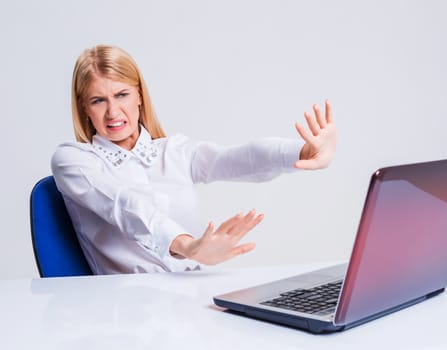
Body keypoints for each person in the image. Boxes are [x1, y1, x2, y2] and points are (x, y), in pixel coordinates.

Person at [51, 45, 336, 274]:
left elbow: (236, 157)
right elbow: (124, 205)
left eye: (121, 94)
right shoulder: (73, 161)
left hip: (194, 293)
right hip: (127, 311)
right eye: (98, 100)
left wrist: (302, 151)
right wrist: (187, 245)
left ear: (139, 95)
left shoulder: (175, 151)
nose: (113, 111)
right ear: (84, 108)